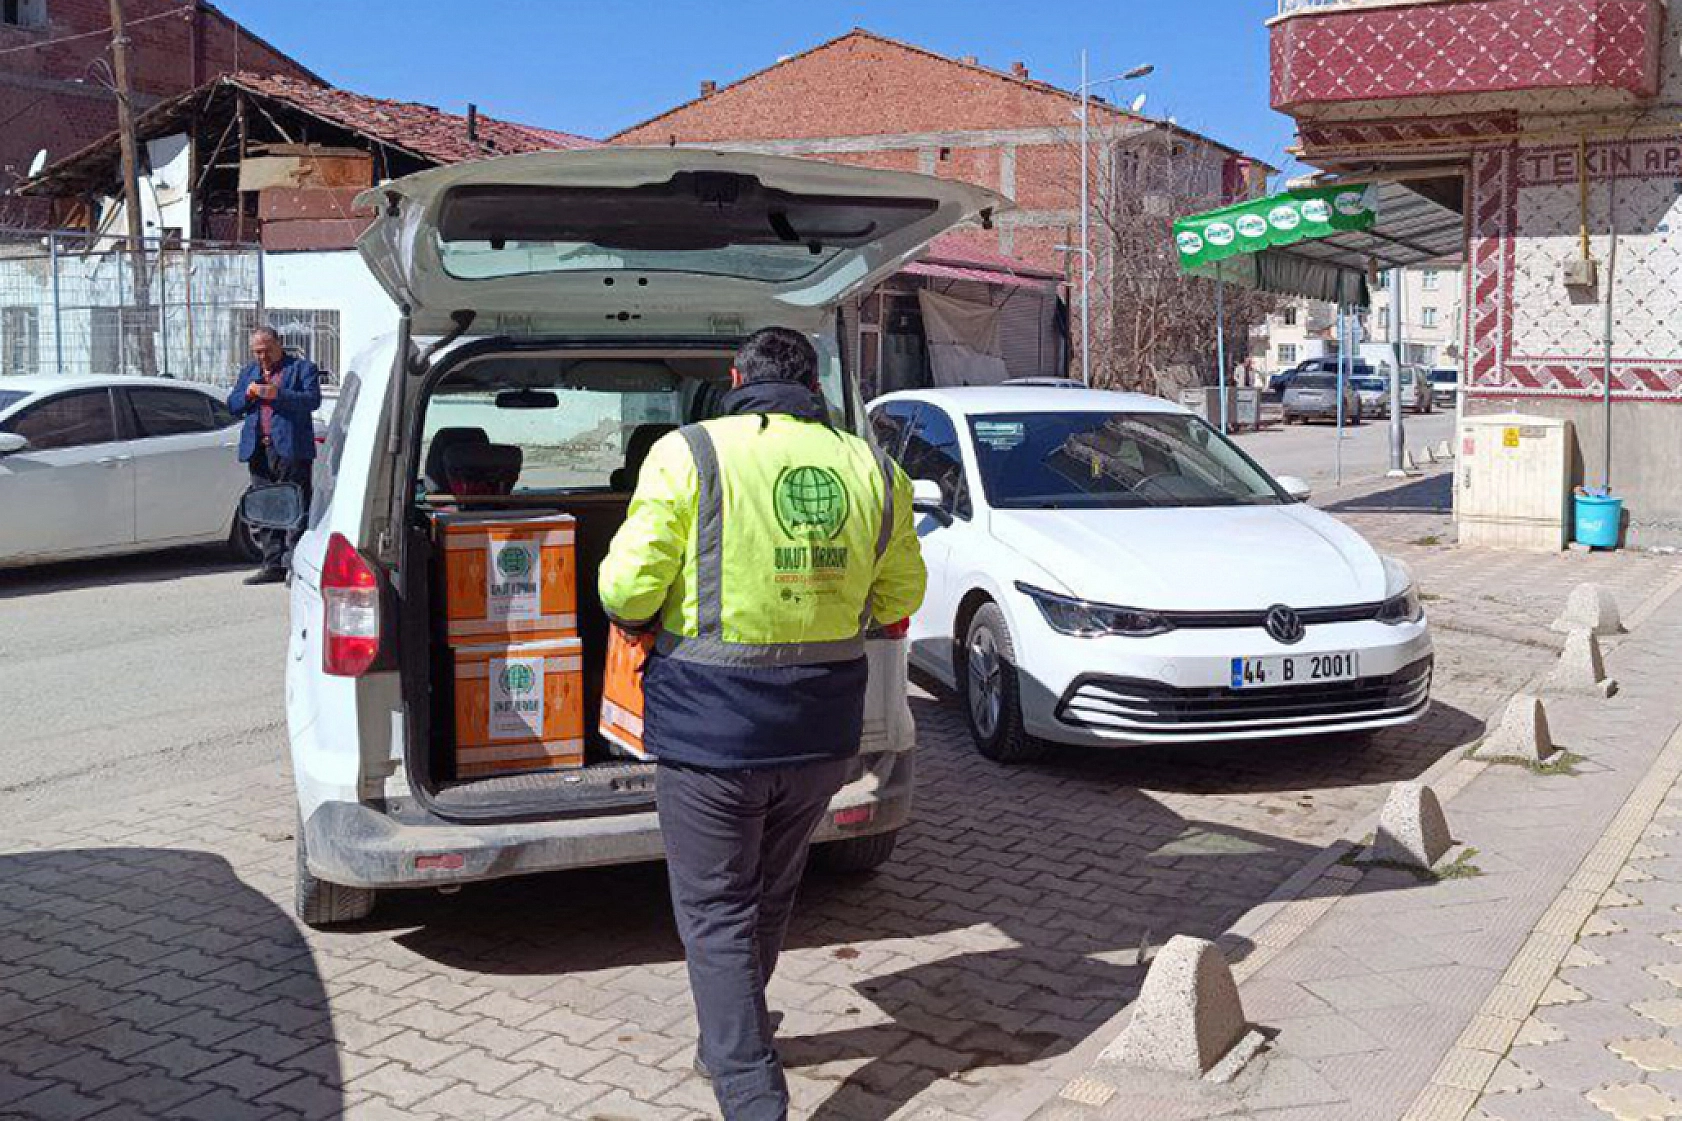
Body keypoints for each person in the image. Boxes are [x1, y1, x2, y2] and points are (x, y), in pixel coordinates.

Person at [598, 327, 926, 1121]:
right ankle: (727, 1038)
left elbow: (627, 589)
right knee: (771, 888)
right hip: (820, 730)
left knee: (714, 908)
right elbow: (899, 597)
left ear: (737, 377)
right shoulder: (874, 467)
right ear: (812, 384)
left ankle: (752, 1096)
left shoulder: (690, 453)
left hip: (713, 732)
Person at [226, 326, 321, 584]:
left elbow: (312, 401)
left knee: (295, 505)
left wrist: (278, 394)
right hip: (259, 448)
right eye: (257, 352)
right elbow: (233, 405)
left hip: (291, 449)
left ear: (279, 345)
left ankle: (295, 563)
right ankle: (272, 563)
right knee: (266, 506)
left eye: (267, 351)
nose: (262, 357)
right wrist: (248, 394)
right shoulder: (250, 372)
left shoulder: (302, 369)